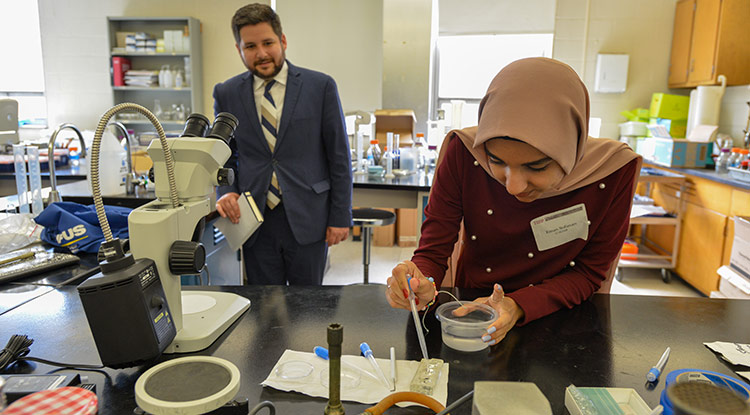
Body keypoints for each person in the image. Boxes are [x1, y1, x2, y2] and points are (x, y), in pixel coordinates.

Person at [386, 57, 641, 345]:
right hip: (471, 315)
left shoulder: (612, 171)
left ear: (572, 146)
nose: (513, 186)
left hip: (560, 323)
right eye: (496, 161)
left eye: (537, 167)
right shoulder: (465, 152)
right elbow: (433, 253)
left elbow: (588, 273)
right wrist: (419, 280)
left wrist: (517, 305)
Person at [214, 3, 352, 285]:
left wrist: (340, 216)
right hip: (254, 218)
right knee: (265, 308)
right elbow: (224, 154)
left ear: (283, 41)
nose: (262, 53)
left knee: (309, 309)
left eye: (268, 43)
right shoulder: (226, 93)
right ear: (239, 49)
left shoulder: (321, 86)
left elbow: (339, 157)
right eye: (250, 46)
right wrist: (225, 191)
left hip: (309, 216)